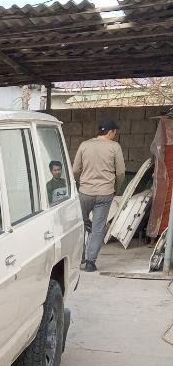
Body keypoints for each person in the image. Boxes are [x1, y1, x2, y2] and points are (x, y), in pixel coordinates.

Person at [72, 117, 125, 272]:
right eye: (115, 132)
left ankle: (79, 257)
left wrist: (80, 183)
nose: (115, 135)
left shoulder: (84, 145)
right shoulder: (115, 147)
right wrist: (116, 187)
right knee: (98, 228)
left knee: (81, 224)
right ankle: (90, 262)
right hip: (105, 193)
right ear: (110, 132)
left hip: (85, 192)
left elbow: (75, 170)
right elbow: (121, 172)